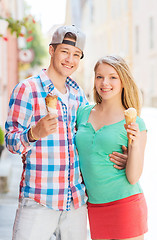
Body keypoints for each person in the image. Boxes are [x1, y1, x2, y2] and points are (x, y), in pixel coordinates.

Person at [5, 25, 127, 240]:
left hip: (75, 203)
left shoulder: (78, 94)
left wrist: (124, 156)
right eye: (64, 51)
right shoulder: (28, 89)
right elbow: (11, 143)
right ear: (52, 51)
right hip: (38, 200)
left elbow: (90, 139)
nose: (70, 59)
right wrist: (34, 133)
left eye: (76, 55)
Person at [75, 55, 148, 240]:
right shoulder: (83, 113)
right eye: (99, 76)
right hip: (95, 206)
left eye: (112, 77)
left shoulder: (135, 123)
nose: (104, 82)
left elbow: (133, 177)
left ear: (123, 81)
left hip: (125, 205)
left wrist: (135, 145)